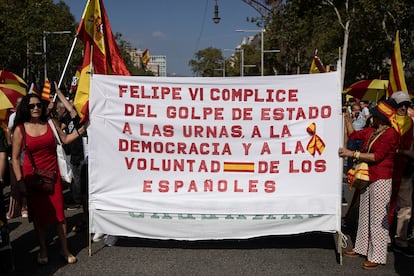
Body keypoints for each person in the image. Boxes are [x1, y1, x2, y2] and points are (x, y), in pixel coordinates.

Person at [11, 93, 87, 265]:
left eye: (38, 105)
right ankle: (43, 249)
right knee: (39, 217)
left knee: (60, 215)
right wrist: (20, 181)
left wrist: (81, 130)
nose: (36, 108)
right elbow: (15, 158)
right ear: (25, 108)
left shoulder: (51, 123)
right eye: (31, 106)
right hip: (33, 179)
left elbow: (65, 139)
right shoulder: (20, 129)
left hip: (52, 177)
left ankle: (65, 249)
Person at [339, 100, 399, 269]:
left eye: (375, 115)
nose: (372, 117)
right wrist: (347, 118)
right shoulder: (373, 131)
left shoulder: (390, 134)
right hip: (367, 176)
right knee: (364, 215)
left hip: (381, 177)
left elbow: (377, 157)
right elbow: (352, 135)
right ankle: (361, 248)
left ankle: (378, 256)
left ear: (380, 118)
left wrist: (353, 153)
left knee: (378, 217)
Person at [386, 91, 414, 255]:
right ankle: (383, 237)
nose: (403, 108)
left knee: (405, 207)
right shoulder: (387, 122)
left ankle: (400, 240)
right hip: (387, 170)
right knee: (384, 205)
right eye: (400, 105)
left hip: (405, 171)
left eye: (406, 105)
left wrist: (398, 151)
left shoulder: (411, 124)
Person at [6, 97, 28, 219]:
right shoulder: (12, 117)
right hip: (14, 152)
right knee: (15, 182)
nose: (19, 105)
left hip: (25, 153)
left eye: (21, 103)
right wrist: (10, 144)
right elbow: (9, 131)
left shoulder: (28, 116)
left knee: (25, 179)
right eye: (17, 103)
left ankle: (25, 206)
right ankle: (13, 209)